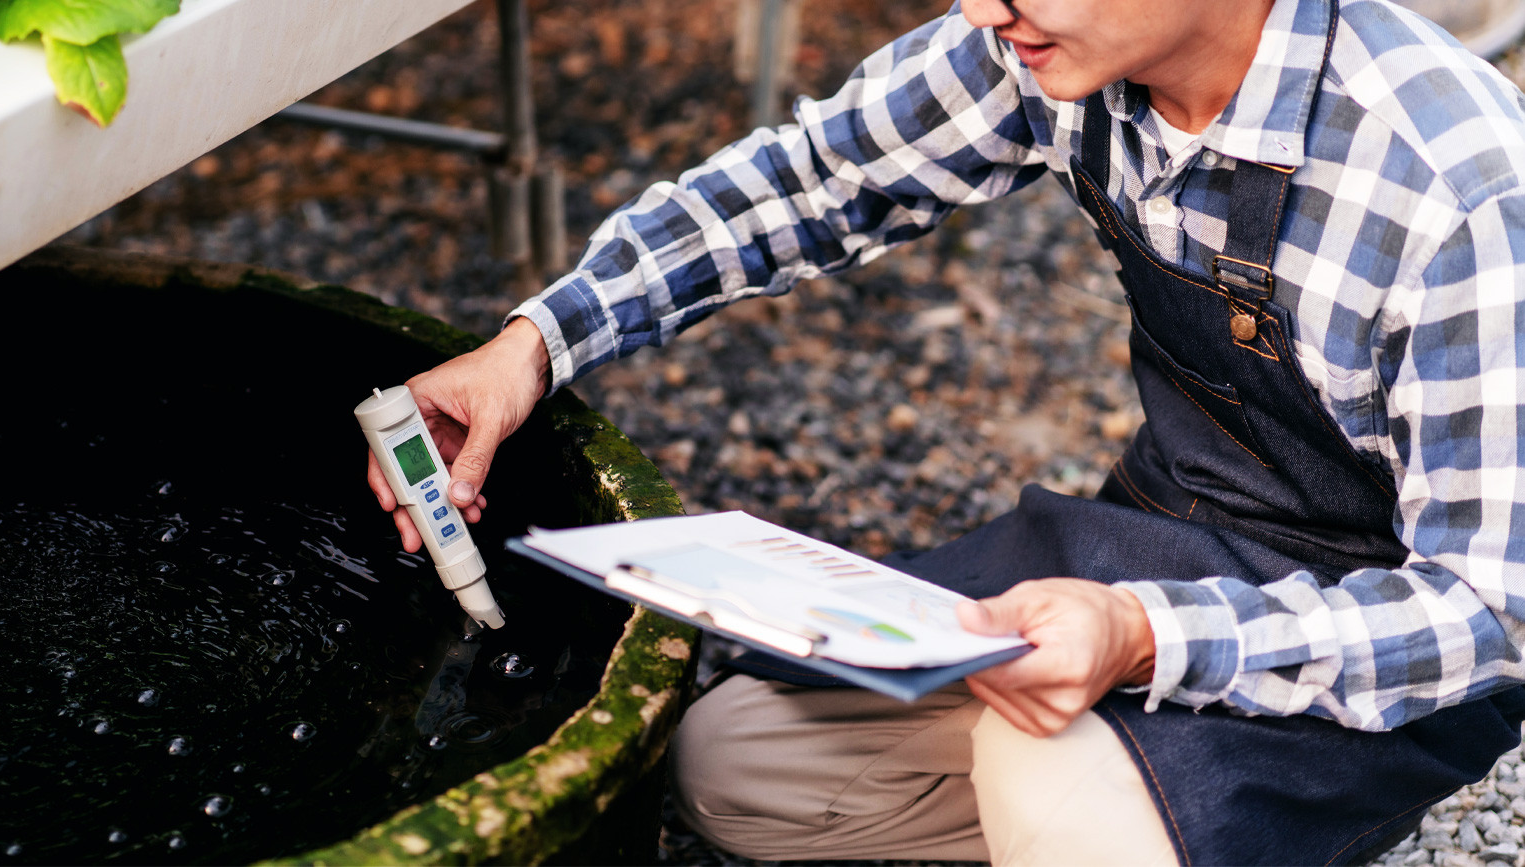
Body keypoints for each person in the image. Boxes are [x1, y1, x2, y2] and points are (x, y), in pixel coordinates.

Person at [365, 0, 1525, 862]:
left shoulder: (1458, 191)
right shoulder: (1053, 45)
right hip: (1166, 533)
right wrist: (535, 344)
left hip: (1365, 639)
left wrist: (1138, 640)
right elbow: (809, 182)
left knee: (1047, 777)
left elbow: (1494, 612)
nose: (981, 9)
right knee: (733, 766)